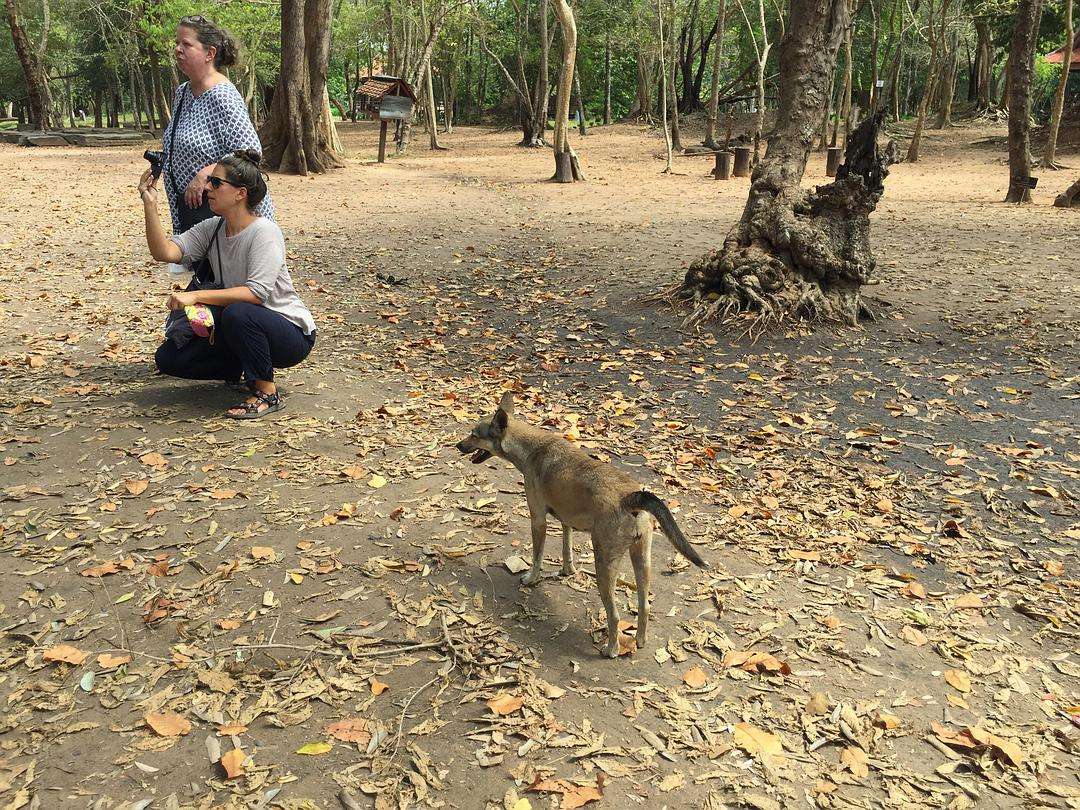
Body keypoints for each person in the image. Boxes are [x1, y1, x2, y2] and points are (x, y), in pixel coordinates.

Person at [138, 151, 316, 419]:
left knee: (238, 311)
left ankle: (267, 391)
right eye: (210, 181)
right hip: (240, 325)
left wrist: (197, 295)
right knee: (169, 359)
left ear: (240, 193)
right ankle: (241, 366)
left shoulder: (264, 232)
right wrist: (149, 204)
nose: (208, 188)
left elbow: (255, 294)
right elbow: (164, 252)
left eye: (216, 183)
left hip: (289, 333)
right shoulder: (213, 228)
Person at [163, 15, 273, 236]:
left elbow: (251, 152)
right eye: (177, 43)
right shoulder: (182, 93)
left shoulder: (223, 95)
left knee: (232, 271)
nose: (177, 49)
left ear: (209, 54)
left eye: (186, 44)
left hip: (228, 220)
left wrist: (206, 173)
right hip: (194, 216)